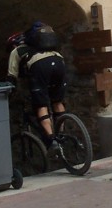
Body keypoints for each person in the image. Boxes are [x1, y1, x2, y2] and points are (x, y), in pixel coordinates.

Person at [6, 23, 67, 154]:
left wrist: (9, 94)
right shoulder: (47, 46)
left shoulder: (17, 51)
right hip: (59, 62)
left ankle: (51, 139)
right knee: (57, 101)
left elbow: (12, 76)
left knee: (41, 105)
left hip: (40, 66)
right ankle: (61, 134)